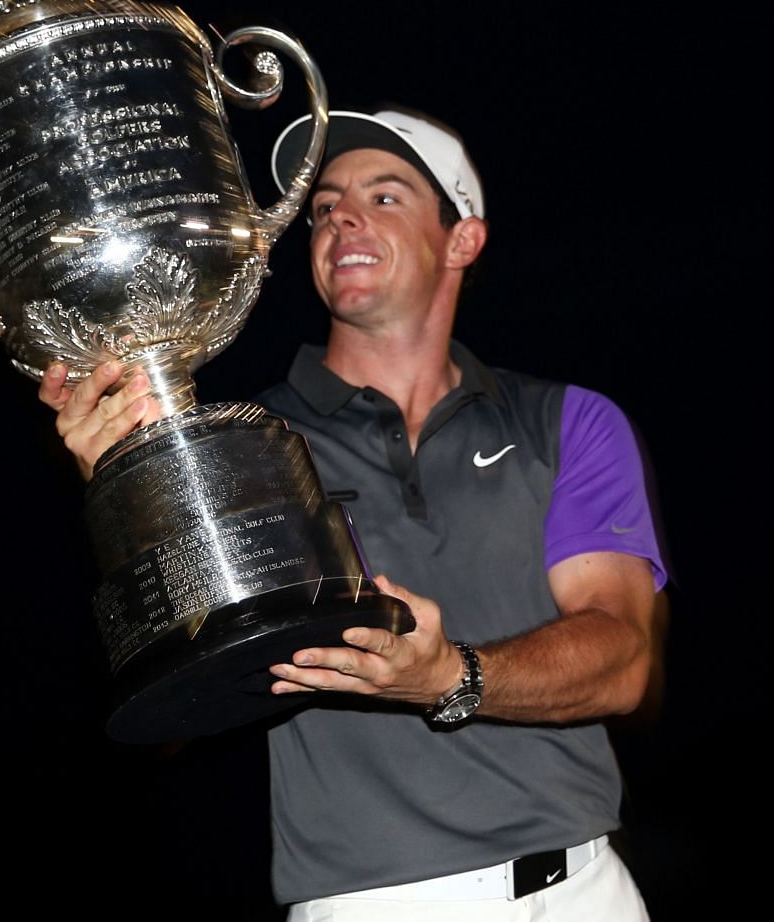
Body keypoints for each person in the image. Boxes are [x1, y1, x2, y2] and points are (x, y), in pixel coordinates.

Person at [41, 107, 665, 919]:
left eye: (385, 194)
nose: (340, 215)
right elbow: (172, 723)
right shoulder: (244, 446)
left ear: (463, 239)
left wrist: (450, 676)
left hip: (581, 892)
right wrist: (142, 494)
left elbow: (623, 662)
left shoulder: (568, 422)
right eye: (325, 203)